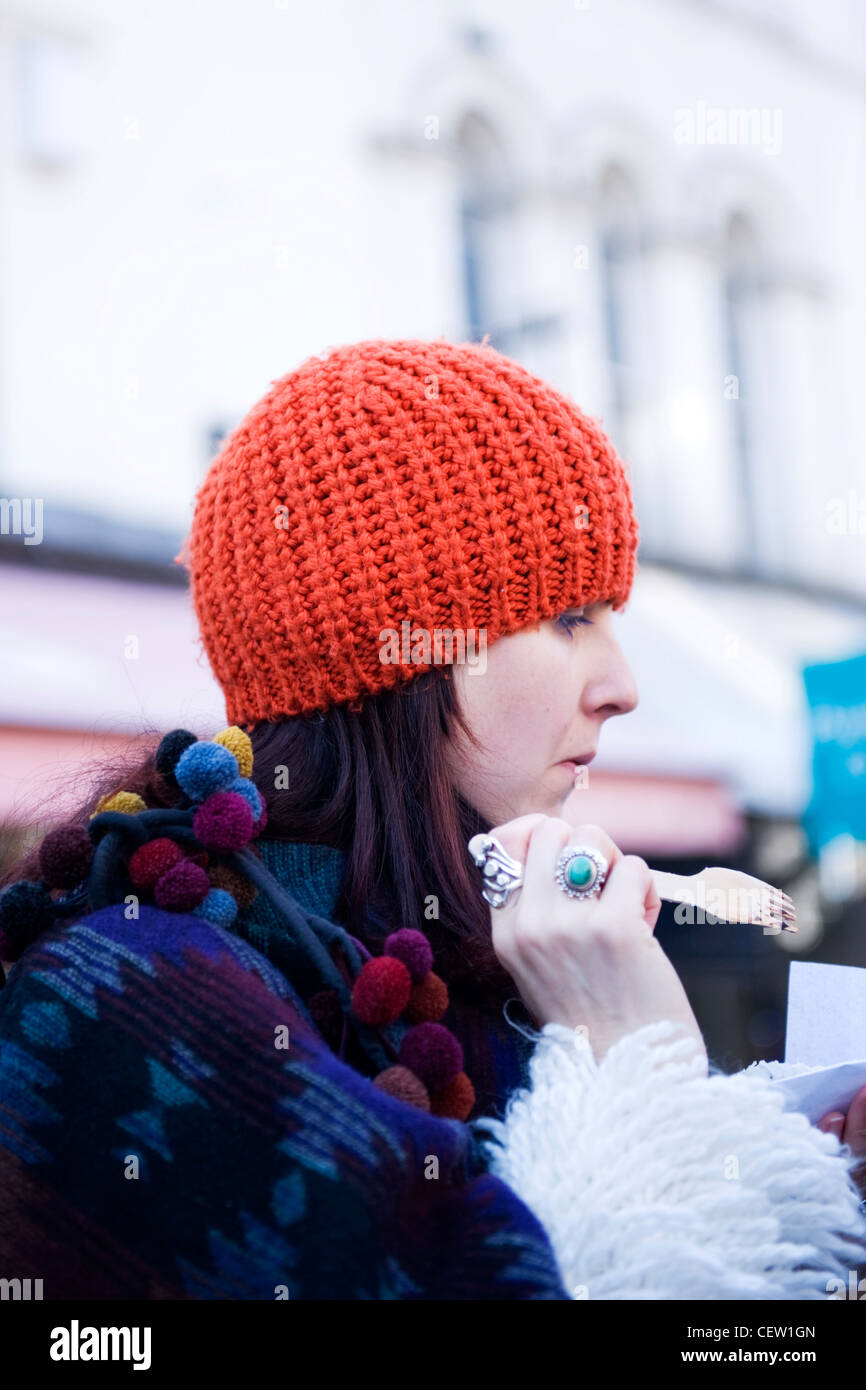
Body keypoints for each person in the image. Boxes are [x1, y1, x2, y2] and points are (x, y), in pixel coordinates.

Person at [0, 338, 864, 1300]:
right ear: (396, 656)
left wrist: (816, 1189)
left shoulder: (482, 968)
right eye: (571, 617)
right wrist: (638, 1057)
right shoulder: (125, 990)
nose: (622, 687)